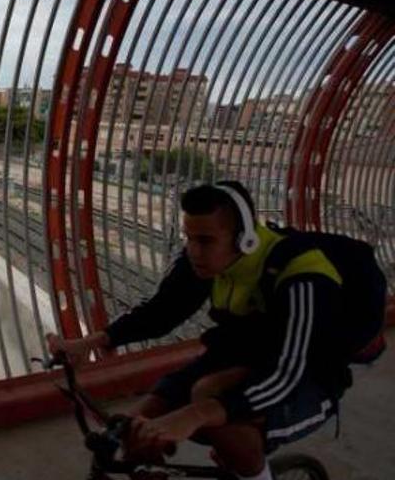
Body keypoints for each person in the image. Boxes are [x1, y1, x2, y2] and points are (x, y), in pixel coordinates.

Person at [48, 181, 354, 480]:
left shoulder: (303, 276)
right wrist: (91, 342)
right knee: (135, 427)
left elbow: (288, 374)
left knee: (225, 424)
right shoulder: (209, 258)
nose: (193, 250)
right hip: (240, 356)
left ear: (244, 239)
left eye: (205, 240)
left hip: (308, 376)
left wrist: (193, 416)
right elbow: (162, 311)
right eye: (189, 238)